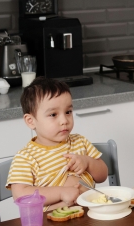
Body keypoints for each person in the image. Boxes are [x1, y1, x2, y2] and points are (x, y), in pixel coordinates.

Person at [6, 77, 108, 210]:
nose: (64, 120)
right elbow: (20, 195)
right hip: (53, 223)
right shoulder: (26, 157)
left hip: (91, 213)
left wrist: (88, 162)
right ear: (31, 121)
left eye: (68, 112)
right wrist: (61, 193)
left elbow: (103, 176)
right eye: (53, 114)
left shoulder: (80, 142)